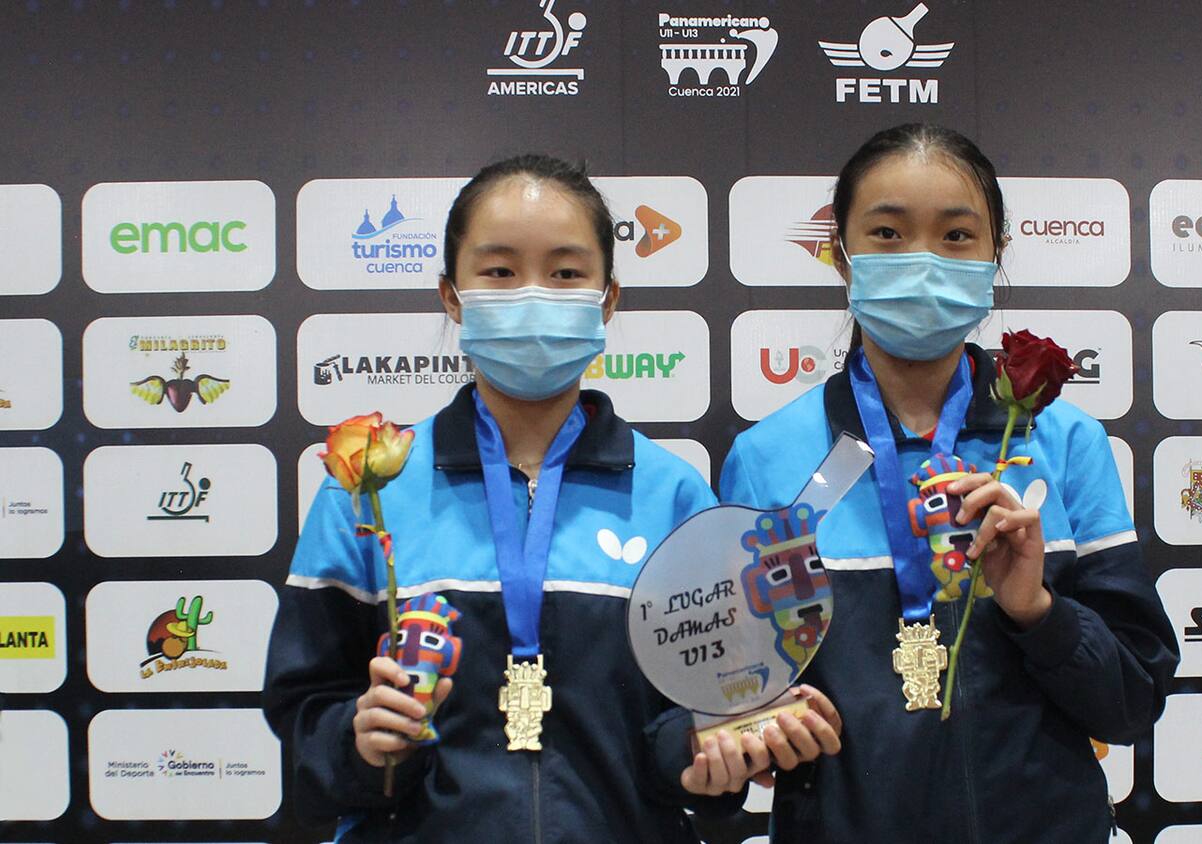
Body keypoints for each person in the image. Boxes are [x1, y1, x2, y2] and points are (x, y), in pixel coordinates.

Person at [264, 154, 841, 843]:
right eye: (500, 272)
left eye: (566, 272)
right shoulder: (368, 488)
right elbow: (303, 711)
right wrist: (358, 743)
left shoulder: (673, 494)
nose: (533, 294)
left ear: (609, 298)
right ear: (452, 296)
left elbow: (686, 720)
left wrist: (704, 757)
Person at [719, 124, 1179, 842]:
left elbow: (1131, 703)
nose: (923, 260)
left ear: (996, 254)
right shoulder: (767, 458)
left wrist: (1038, 611)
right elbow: (736, 701)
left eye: (957, 236)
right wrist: (757, 719)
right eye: (888, 233)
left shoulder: (1065, 443)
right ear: (842, 257)